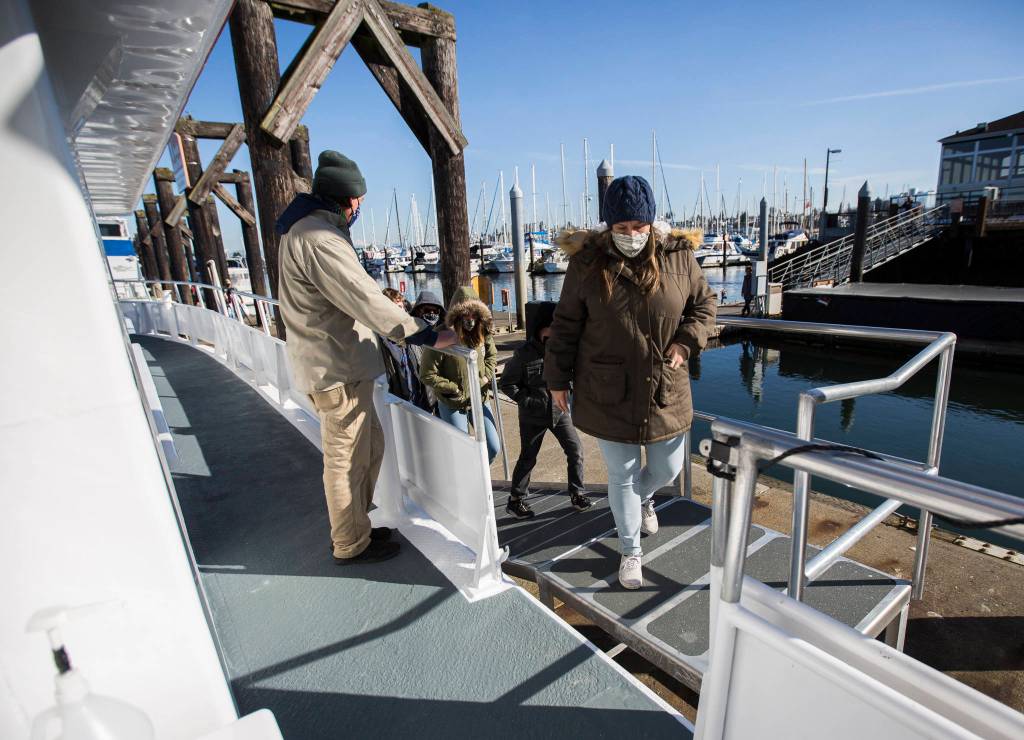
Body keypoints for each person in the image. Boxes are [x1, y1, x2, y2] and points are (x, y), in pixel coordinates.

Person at [276, 150, 455, 565]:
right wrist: (423, 332)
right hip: (335, 368)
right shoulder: (320, 238)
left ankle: (358, 525)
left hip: (339, 363)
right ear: (347, 199)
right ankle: (350, 542)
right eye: (359, 199)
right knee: (346, 460)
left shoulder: (305, 230)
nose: (361, 207)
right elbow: (364, 297)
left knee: (367, 450)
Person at [545, 175, 717, 590]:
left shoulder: (679, 256)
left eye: (639, 227)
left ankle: (645, 499)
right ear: (608, 226)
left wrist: (686, 342)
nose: (632, 235)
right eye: (622, 228)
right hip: (607, 387)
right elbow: (565, 326)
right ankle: (629, 550)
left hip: (665, 385)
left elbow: (705, 305)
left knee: (669, 466)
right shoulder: (587, 263)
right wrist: (556, 380)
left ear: (651, 223)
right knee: (620, 475)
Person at [500, 301, 591, 518]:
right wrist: (528, 401)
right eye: (553, 326)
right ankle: (516, 500)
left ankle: (577, 493)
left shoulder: (564, 351)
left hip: (560, 412)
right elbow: (507, 384)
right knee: (528, 457)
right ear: (543, 327)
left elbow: (575, 375)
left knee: (575, 451)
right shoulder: (523, 354)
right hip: (533, 416)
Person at [419, 286, 501, 463]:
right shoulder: (440, 335)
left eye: (474, 314)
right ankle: (467, 483)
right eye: (465, 314)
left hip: (480, 397)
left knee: (493, 447)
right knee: (460, 451)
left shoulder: (483, 331)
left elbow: (492, 356)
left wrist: (485, 377)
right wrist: (453, 389)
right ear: (456, 315)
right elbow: (426, 373)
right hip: (453, 402)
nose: (470, 319)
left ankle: (479, 478)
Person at [379, 288, 431, 411]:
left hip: (420, 401)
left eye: (402, 307)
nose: (402, 312)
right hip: (397, 405)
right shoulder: (380, 341)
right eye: (397, 308)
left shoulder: (412, 335)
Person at [407, 290, 446, 411]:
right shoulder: (409, 335)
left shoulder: (444, 334)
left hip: (443, 393)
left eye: (435, 311)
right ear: (418, 311)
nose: (432, 314)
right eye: (427, 310)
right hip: (419, 396)